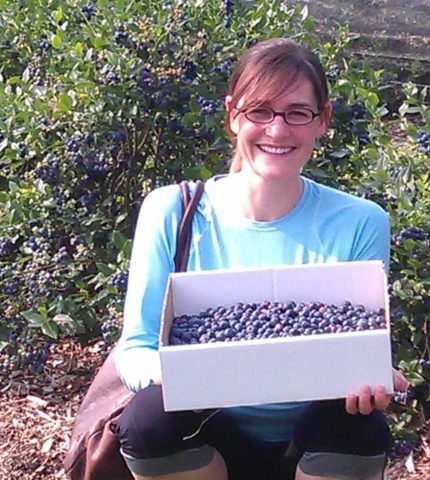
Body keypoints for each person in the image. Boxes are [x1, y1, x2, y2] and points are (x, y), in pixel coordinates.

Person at [111, 37, 409, 480]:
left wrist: (373, 377)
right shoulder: (173, 212)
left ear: (322, 120)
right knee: (149, 420)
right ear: (233, 114)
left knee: (360, 427)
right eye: (260, 111)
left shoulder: (360, 222)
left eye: (297, 113)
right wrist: (177, 371)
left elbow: (359, 343)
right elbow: (134, 349)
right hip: (210, 429)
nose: (277, 129)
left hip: (309, 435)